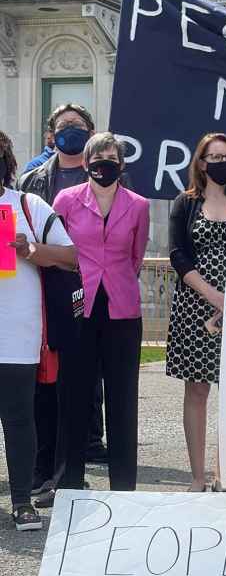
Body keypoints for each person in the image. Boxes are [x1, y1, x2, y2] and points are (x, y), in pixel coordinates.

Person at [17, 103, 108, 507]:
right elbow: (19, 244)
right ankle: (43, 470)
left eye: (79, 125)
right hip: (41, 291)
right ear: (50, 134)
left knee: (83, 381)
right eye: (63, 125)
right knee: (44, 384)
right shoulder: (32, 183)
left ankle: (73, 466)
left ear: (91, 132)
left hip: (91, 290)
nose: (71, 130)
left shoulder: (106, 178)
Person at [166, 132, 226, 492]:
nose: (220, 162)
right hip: (195, 307)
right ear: (201, 162)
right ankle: (196, 476)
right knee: (196, 391)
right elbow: (178, 254)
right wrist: (213, 296)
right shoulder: (184, 202)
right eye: (213, 156)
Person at [53, 132, 150, 492]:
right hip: (80, 305)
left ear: (121, 164)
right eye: (97, 157)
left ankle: (124, 486)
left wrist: (118, 279)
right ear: (86, 163)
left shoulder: (138, 205)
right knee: (74, 393)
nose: (104, 163)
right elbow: (58, 247)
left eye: (111, 157)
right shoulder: (66, 200)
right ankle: (69, 482)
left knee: (123, 397)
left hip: (123, 309)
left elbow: (136, 256)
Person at [0, 130, 76, 530]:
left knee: (18, 419)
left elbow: (70, 256)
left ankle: (21, 502)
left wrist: (30, 250)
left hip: (16, 334)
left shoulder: (29, 206)